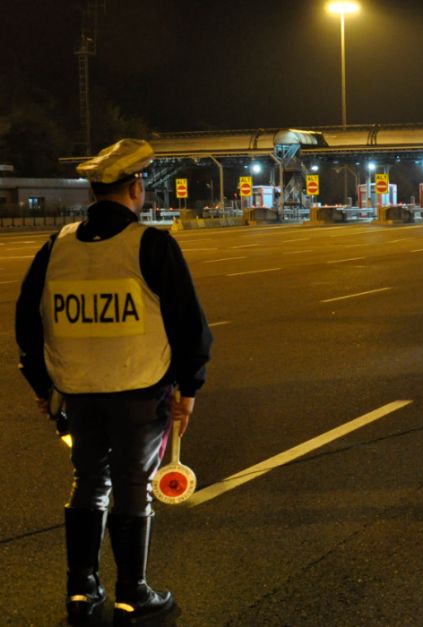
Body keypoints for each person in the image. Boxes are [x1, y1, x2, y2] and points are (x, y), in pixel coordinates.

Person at [15, 139, 212, 623]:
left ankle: (80, 592)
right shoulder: (151, 245)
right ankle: (132, 593)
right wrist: (189, 389)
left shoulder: (55, 247)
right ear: (135, 187)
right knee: (132, 486)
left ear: (92, 191)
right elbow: (190, 326)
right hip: (139, 390)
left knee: (87, 483)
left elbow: (26, 321)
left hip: (77, 393)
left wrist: (44, 387)